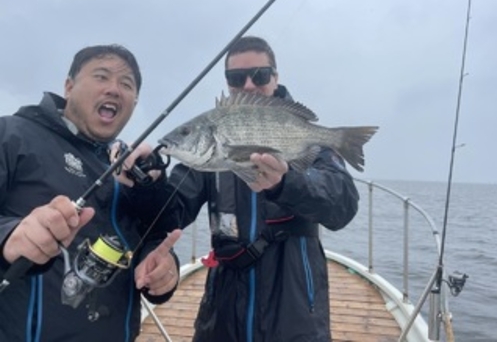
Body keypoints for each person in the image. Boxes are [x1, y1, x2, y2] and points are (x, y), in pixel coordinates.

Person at [168, 36, 360, 341]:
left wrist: (287, 184)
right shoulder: (211, 143)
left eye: (259, 75)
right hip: (222, 315)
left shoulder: (305, 138)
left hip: (294, 315)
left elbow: (343, 206)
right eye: (235, 78)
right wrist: (146, 182)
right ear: (227, 82)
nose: (248, 85)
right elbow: (171, 208)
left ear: (275, 77)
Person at [0, 44, 182, 341]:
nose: (114, 89)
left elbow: (153, 236)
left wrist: (163, 268)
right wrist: (9, 236)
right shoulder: (11, 135)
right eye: (101, 76)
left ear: (135, 102)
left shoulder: (129, 166)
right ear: (69, 86)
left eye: (126, 84)